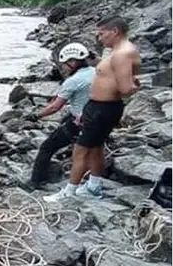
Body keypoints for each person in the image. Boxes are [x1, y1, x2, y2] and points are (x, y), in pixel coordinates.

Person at [44, 17, 140, 202]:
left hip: (103, 109)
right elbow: (112, 74)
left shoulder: (122, 54)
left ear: (115, 31)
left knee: (80, 151)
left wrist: (132, 86)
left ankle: (69, 193)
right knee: (96, 148)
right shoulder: (117, 51)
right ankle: (94, 186)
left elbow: (126, 88)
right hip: (98, 107)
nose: (99, 37)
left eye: (102, 33)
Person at [27, 42, 95, 188]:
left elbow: (55, 107)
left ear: (73, 61)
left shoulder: (73, 81)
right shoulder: (96, 72)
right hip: (96, 118)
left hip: (79, 123)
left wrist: (36, 116)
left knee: (46, 148)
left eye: (65, 63)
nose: (63, 67)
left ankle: (36, 182)